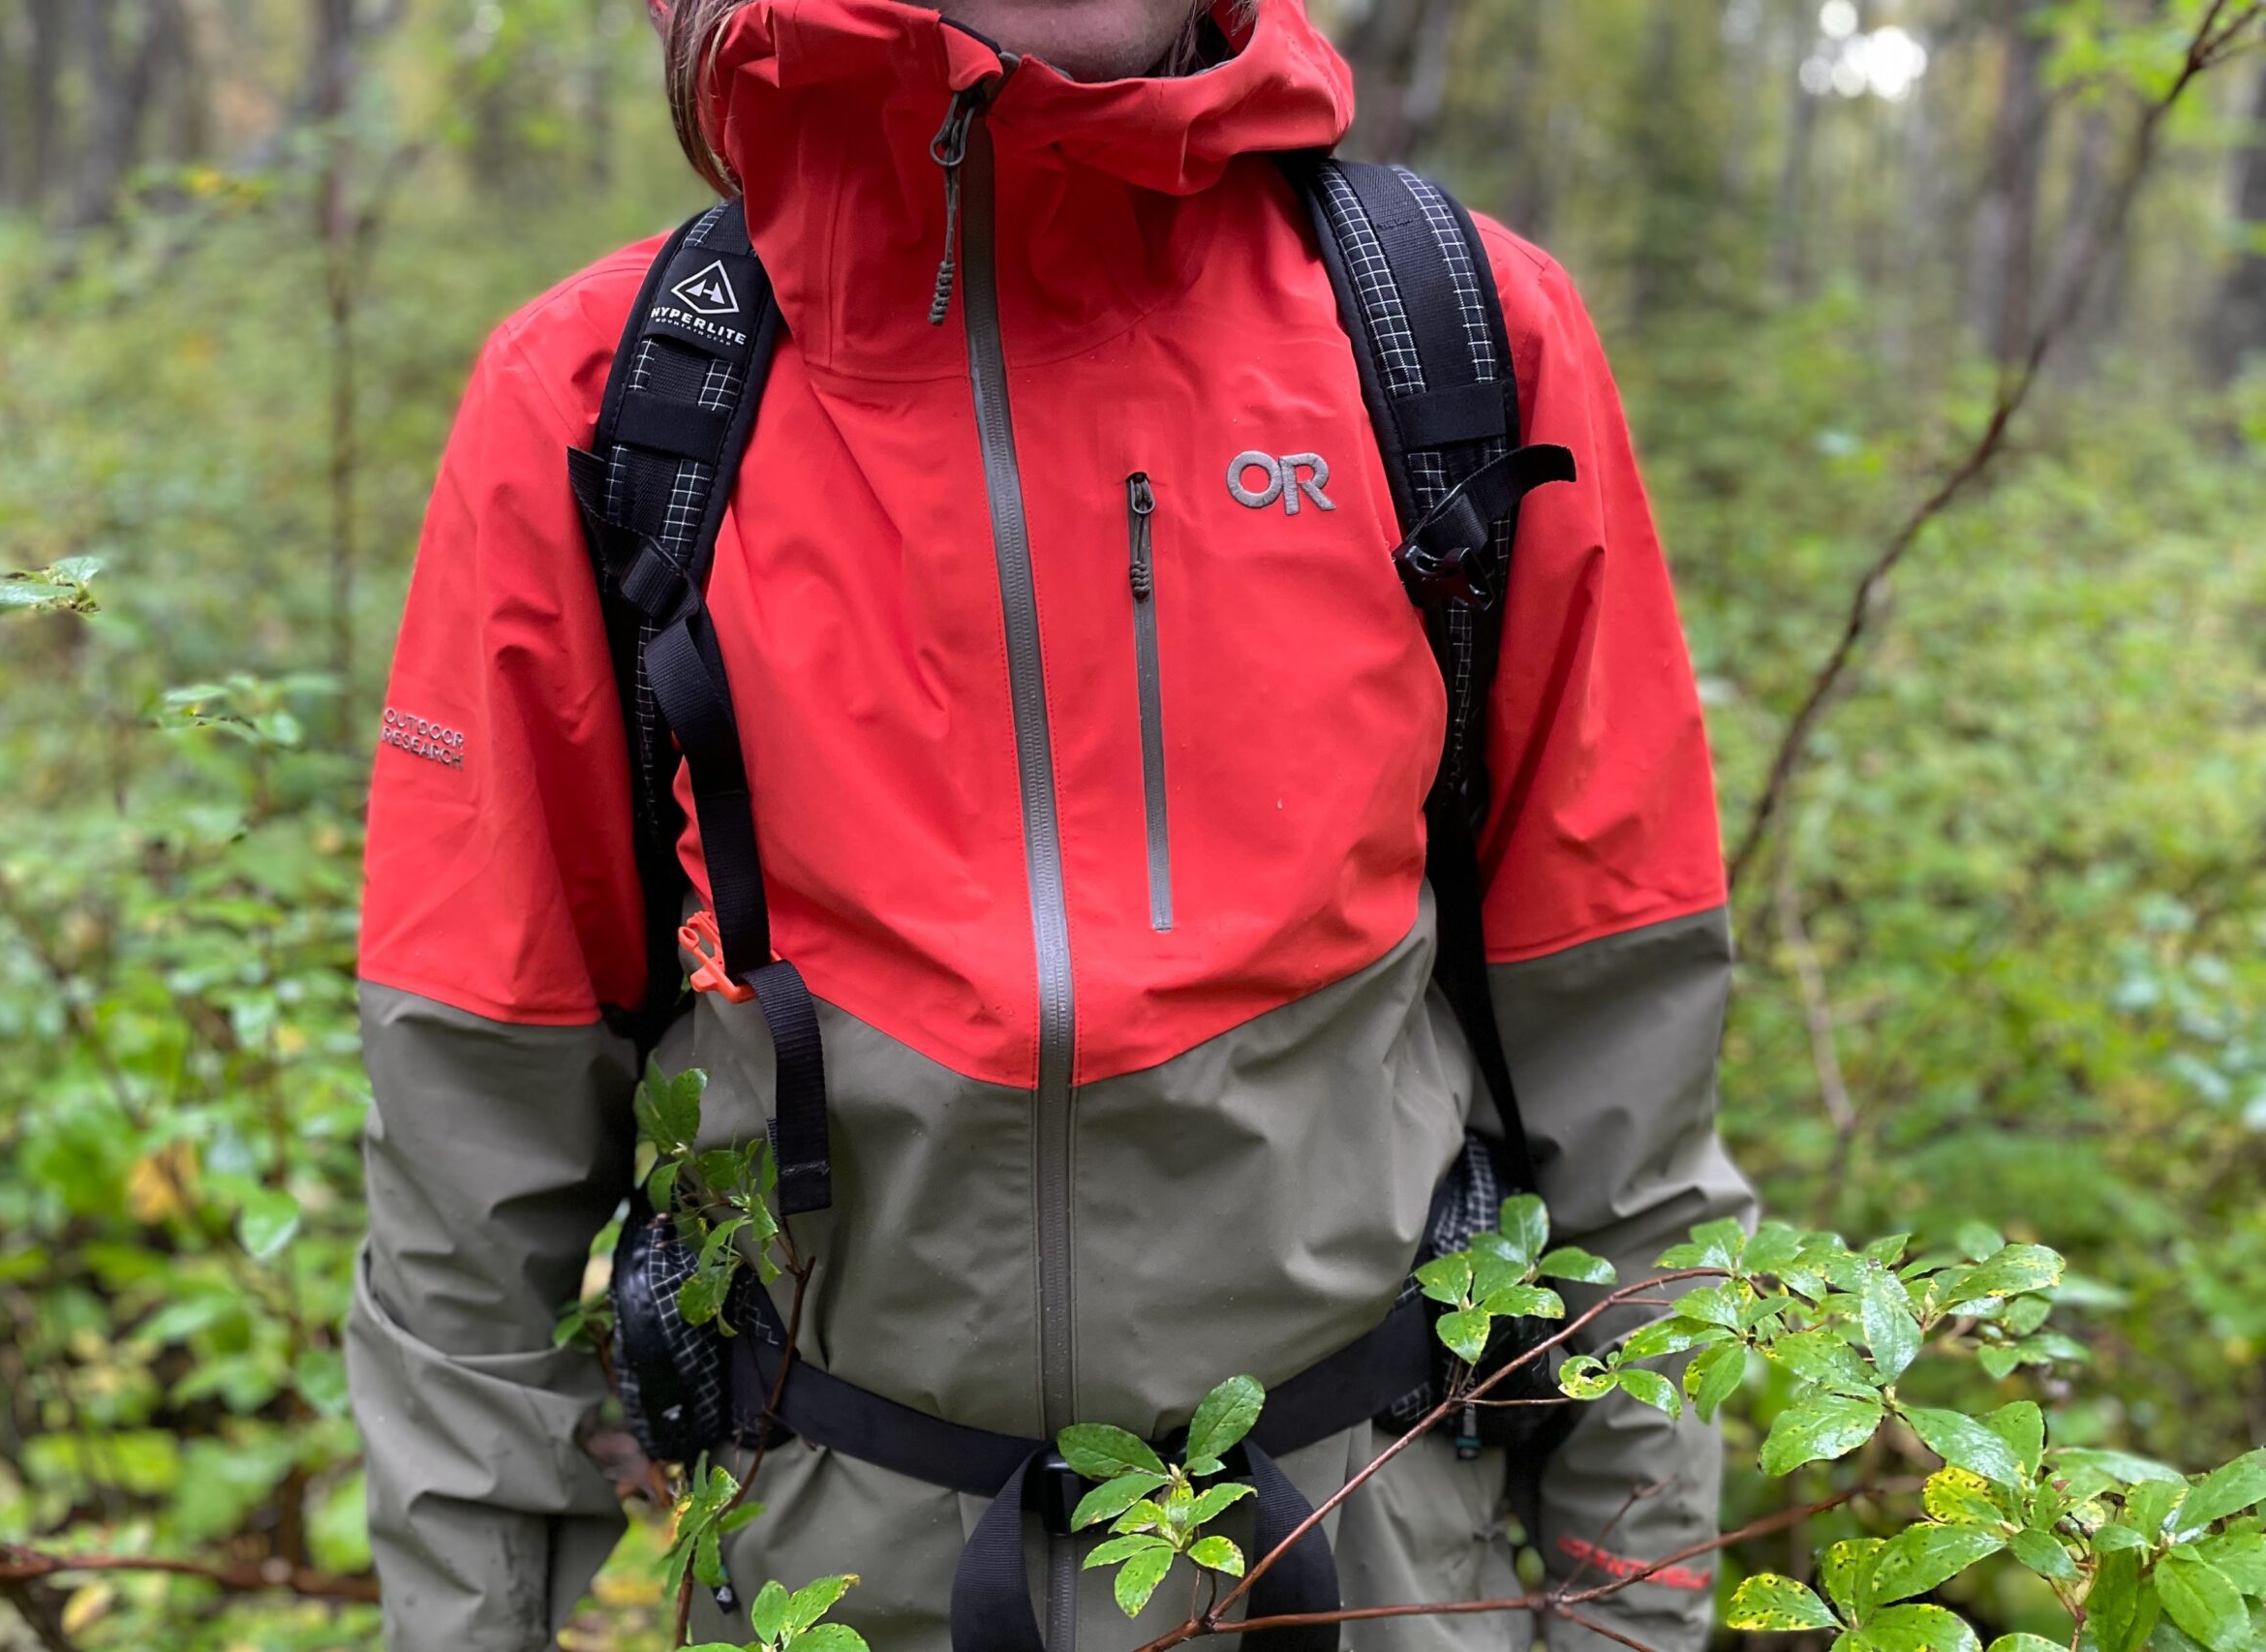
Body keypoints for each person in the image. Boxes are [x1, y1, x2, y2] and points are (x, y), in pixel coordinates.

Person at [345, 0, 1755, 1647]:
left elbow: (1636, 1128)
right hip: (832, 1593)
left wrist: (1628, 1620)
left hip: (1374, 1582)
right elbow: (466, 1194)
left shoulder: (1459, 345)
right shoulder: (603, 405)